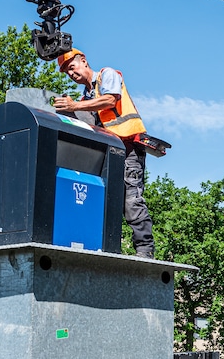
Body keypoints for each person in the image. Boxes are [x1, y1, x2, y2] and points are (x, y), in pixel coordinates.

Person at [52, 48, 155, 258]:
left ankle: (145, 251)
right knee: (103, 199)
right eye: (67, 73)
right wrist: (71, 112)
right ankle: (106, 248)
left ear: (84, 61)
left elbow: (110, 100)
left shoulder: (106, 75)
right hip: (107, 152)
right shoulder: (86, 97)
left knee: (131, 200)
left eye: (72, 67)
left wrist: (75, 105)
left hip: (128, 150)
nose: (71, 74)